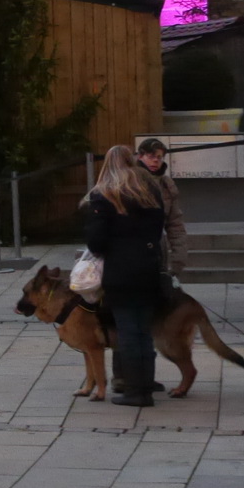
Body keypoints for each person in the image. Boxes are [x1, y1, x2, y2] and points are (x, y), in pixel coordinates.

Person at [86, 144, 169, 408]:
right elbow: (158, 231)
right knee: (143, 332)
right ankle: (145, 388)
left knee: (128, 332)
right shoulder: (150, 193)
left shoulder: (104, 195)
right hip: (148, 268)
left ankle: (135, 391)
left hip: (120, 271)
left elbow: (96, 242)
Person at [136, 138, 189, 277]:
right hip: (133, 246)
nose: (156, 161)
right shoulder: (129, 180)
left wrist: (179, 257)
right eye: (151, 156)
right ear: (140, 156)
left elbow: (175, 223)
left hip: (157, 246)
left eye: (159, 157)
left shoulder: (166, 184)